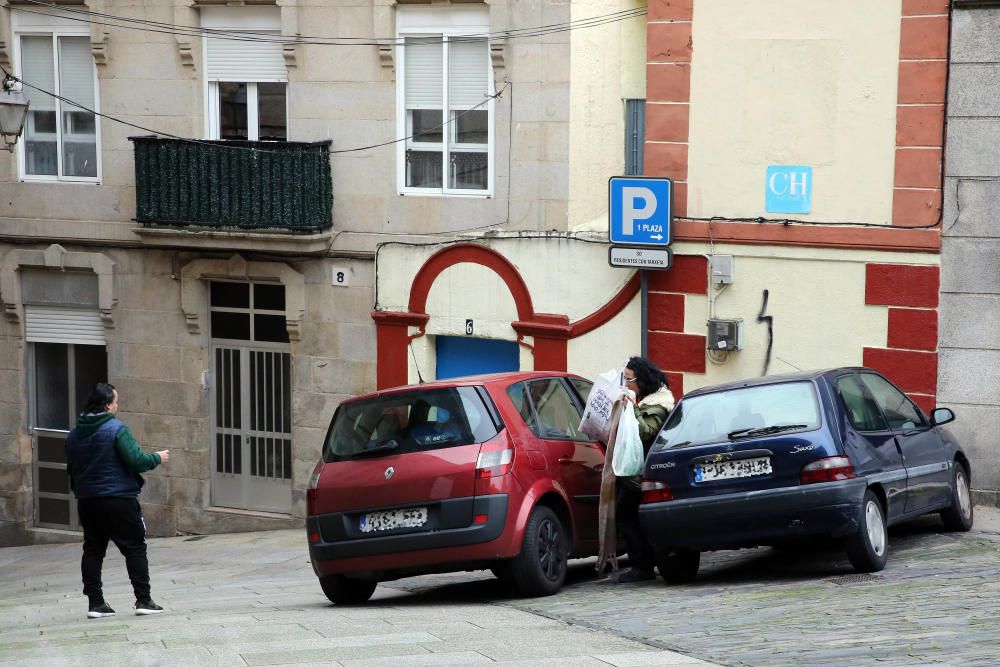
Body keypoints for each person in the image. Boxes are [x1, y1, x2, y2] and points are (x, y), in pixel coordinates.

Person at [65, 382, 169, 619]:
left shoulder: (74, 435)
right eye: (116, 402)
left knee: (93, 550)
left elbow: (72, 468)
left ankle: (96, 603)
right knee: (134, 547)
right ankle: (144, 599)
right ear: (108, 404)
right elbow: (136, 460)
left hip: (88, 500)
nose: (117, 406)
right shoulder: (116, 429)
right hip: (118, 498)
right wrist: (157, 458)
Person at [616, 356, 674, 583]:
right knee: (628, 514)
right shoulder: (650, 399)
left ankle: (642, 566)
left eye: (629, 380)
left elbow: (646, 431)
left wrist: (631, 408)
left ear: (643, 380)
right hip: (642, 469)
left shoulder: (657, 404)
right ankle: (643, 564)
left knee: (628, 514)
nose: (627, 384)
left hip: (644, 471)